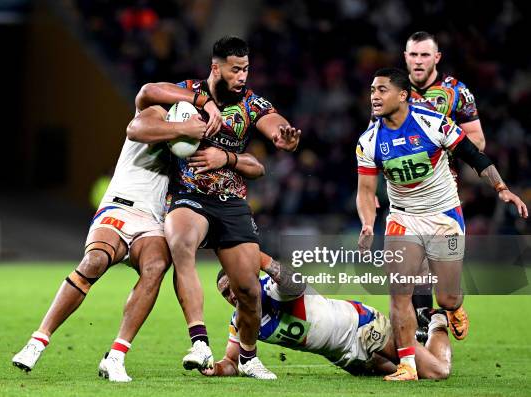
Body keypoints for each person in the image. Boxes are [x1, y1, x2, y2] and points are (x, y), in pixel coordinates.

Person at [11, 80, 263, 382]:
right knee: (94, 262)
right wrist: (187, 121)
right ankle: (37, 341)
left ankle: (116, 356)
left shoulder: (195, 143)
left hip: (154, 219)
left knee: (156, 267)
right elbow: (137, 123)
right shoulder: (153, 114)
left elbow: (251, 165)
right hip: (119, 205)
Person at [132, 36, 301, 379]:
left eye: (246, 69)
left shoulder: (251, 104)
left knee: (248, 290)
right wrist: (190, 114)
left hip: (231, 202)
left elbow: (272, 123)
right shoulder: (187, 92)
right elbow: (148, 92)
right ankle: (199, 341)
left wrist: (279, 136)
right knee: (181, 242)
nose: (242, 76)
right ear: (216, 67)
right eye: (236, 69)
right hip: (188, 195)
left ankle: (248, 358)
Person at [356, 67, 527, 381]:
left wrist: (502, 190)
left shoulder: (433, 123)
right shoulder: (369, 140)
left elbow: (475, 157)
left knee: (447, 297)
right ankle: (408, 365)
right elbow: (365, 191)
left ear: (403, 95)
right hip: (403, 217)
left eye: (382, 90)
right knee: (399, 291)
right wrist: (368, 223)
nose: (374, 97)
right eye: (372, 90)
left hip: (443, 215)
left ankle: (452, 309)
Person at [204, 254, 453, 380]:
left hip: (362, 328)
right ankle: (410, 333)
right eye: (224, 293)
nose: (231, 295)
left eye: (232, 286)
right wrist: (215, 369)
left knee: (436, 372)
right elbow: (231, 361)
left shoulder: (271, 286)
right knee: (415, 373)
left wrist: (261, 259)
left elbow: (294, 285)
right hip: (344, 358)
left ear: (244, 279)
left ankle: (437, 319)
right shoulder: (240, 322)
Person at [404, 31, 486, 338]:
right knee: (413, 267)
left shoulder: (456, 92)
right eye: (413, 54)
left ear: (436, 58)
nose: (419, 60)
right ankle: (424, 326)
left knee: (443, 283)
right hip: (405, 193)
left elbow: (477, 140)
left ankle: (452, 304)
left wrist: (438, 140)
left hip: (442, 192)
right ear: (405, 58)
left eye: (425, 55)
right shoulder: (394, 90)